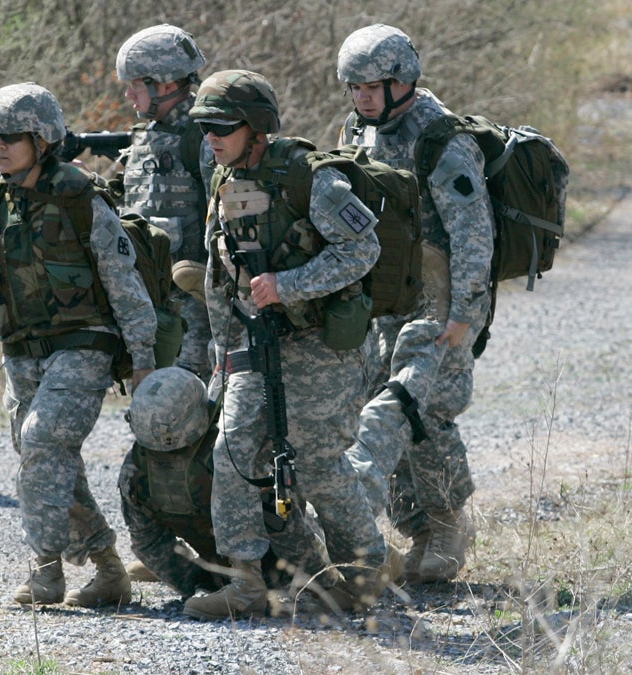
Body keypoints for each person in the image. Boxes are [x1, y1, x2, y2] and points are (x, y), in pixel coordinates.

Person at [0, 83, 157, 608]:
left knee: (42, 440)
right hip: (21, 351)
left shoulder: (81, 198)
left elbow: (126, 287)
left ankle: (45, 571)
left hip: (86, 344)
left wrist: (142, 364)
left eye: (12, 137)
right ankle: (109, 568)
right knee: (42, 455)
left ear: (43, 140)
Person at [183, 69, 389, 618]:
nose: (212, 137)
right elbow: (218, 275)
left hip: (325, 343)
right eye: (204, 127)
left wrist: (288, 285)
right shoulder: (222, 180)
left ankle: (365, 574)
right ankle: (249, 582)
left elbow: (362, 250)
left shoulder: (311, 180)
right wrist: (223, 361)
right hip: (257, 339)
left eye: (222, 126)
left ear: (257, 128)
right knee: (233, 450)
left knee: (317, 462)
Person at [336, 24, 494, 583]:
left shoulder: (441, 140)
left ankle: (448, 522)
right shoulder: (359, 130)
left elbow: (474, 233)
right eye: (353, 89)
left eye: (371, 88)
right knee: (381, 409)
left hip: (439, 295)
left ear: (403, 81)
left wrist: (464, 314)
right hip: (381, 295)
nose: (360, 99)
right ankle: (416, 529)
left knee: (428, 412)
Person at [118, 367, 331, 600]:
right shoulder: (235, 452)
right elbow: (147, 541)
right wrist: (203, 582)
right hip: (245, 572)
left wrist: (319, 580)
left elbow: (287, 521)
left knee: (351, 486)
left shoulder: (233, 450)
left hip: (286, 557)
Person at [115, 24, 215, 380]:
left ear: (167, 84)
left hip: (198, 306)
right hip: (154, 300)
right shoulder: (147, 135)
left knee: (190, 396)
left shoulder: (205, 135)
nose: (128, 95)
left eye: (135, 84)